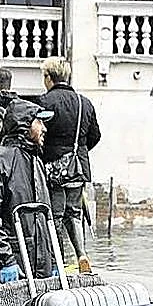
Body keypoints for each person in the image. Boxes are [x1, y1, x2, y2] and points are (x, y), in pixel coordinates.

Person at [0, 99, 55, 285]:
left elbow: (44, 216)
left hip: (40, 266)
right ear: (24, 124)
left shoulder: (36, 162)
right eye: (39, 122)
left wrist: (51, 259)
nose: (44, 129)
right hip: (11, 263)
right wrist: (5, 259)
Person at [38, 57, 100, 273]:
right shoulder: (85, 103)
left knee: (54, 215)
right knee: (74, 213)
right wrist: (78, 153)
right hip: (78, 167)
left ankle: (57, 261)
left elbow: (38, 136)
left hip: (54, 167)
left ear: (49, 77)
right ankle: (82, 255)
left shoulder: (45, 102)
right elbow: (95, 136)